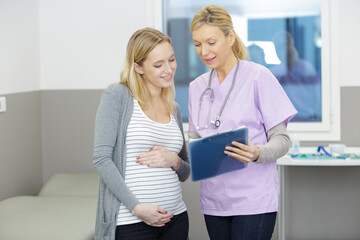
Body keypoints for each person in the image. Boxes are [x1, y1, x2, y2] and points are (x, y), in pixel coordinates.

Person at [188, 5, 297, 240]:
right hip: (214, 200)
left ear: (230, 37)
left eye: (211, 42)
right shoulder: (196, 87)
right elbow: (195, 138)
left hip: (253, 200)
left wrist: (258, 152)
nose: (203, 51)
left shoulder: (259, 76)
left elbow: (283, 139)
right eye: (197, 44)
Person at [93, 27, 190, 240]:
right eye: (158, 64)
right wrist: (136, 208)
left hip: (176, 218)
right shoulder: (117, 96)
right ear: (138, 67)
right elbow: (101, 159)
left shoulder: (173, 107)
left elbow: (185, 171)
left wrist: (174, 160)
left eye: (171, 60)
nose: (169, 69)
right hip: (132, 222)